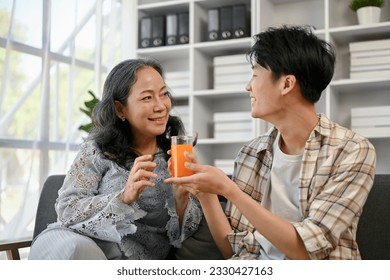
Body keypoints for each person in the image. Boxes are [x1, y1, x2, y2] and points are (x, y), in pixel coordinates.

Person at [164, 25, 377, 260]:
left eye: (255, 75)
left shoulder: (351, 150)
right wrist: (207, 194)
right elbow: (233, 251)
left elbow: (308, 251)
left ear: (286, 84)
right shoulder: (251, 153)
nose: (248, 86)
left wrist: (229, 190)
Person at [29, 58, 202, 260]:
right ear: (120, 109)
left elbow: (183, 237)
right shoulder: (97, 150)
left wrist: (181, 199)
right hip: (74, 246)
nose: (161, 106)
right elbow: (67, 209)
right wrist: (124, 197)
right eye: (147, 98)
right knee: (76, 249)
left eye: (164, 94)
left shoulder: (178, 155)